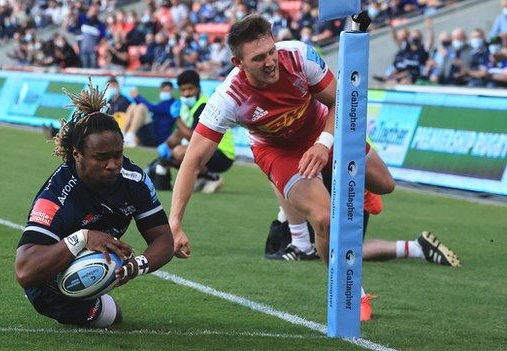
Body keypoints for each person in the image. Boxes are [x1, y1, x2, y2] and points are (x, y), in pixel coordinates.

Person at [168, 15, 395, 321]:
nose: (270, 61)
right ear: (238, 62)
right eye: (258, 58)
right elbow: (193, 160)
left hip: (321, 128)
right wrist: (175, 222)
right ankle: (350, 294)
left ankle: (334, 175)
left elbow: (341, 100)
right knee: (326, 218)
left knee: (385, 184)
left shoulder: (299, 56)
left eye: (271, 51)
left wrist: (323, 143)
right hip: (278, 151)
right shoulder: (228, 98)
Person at [15, 80, 174, 327]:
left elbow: (164, 239)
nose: (112, 165)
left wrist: (136, 266)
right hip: (47, 284)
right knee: (111, 318)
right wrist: (82, 238)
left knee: (114, 319)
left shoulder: (135, 180)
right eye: (101, 158)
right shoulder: (56, 195)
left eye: (117, 154)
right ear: (77, 154)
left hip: (95, 268)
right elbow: (25, 271)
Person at [149, 70, 235, 194]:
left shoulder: (204, 105)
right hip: (208, 150)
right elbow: (179, 133)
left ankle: (212, 177)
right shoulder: (187, 107)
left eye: (190, 89)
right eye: (183, 90)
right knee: (171, 155)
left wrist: (176, 118)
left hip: (223, 154)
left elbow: (194, 137)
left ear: (198, 88)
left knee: (179, 153)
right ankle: (201, 178)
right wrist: (166, 146)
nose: (187, 93)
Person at [122, 81, 176, 147]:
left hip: (158, 138)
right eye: (163, 91)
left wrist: (137, 96)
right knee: (132, 106)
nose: (165, 93)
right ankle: (122, 133)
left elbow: (151, 108)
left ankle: (130, 136)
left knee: (141, 107)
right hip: (150, 132)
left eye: (167, 91)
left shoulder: (173, 105)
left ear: (172, 91)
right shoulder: (162, 103)